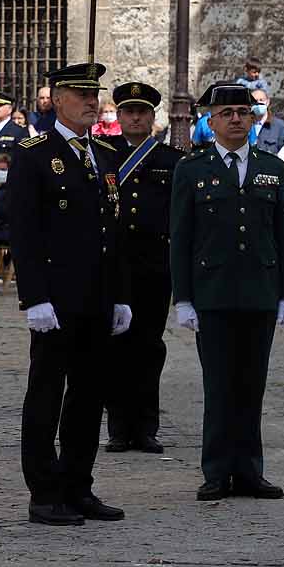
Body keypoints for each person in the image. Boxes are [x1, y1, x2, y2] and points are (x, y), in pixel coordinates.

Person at [5, 63, 132, 527]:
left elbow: (113, 229)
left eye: (93, 94)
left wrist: (120, 294)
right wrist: (33, 297)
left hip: (96, 296)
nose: (90, 101)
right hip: (56, 299)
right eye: (80, 94)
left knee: (88, 394)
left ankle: (79, 484)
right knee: (46, 394)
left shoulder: (103, 150)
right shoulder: (34, 153)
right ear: (57, 99)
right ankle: (44, 492)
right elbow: (25, 230)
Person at [172, 81, 284, 503]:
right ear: (211, 119)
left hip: (259, 292)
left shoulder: (271, 167)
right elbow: (181, 237)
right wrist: (183, 298)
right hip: (214, 294)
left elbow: (283, 235)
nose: (236, 120)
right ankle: (216, 470)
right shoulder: (193, 169)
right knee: (220, 386)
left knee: (252, 386)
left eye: (243, 113)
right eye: (227, 114)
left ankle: (249, 471)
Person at [104, 81, 184, 454]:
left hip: (154, 266)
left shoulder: (170, 160)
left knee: (150, 347)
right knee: (116, 346)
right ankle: (119, 427)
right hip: (115, 265)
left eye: (142, 112)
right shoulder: (104, 155)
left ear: (153, 117)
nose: (136, 117)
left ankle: (146, 426)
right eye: (129, 111)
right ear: (119, 116)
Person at [248, 89, 284, 155]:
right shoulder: (243, 125)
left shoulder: (280, 126)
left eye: (261, 100)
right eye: (255, 101)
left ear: (267, 102)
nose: (258, 103)